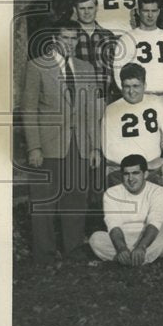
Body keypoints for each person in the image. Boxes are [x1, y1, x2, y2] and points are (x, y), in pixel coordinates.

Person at [20, 18, 103, 263]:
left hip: (79, 145)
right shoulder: (37, 66)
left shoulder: (86, 68)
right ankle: (44, 255)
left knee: (76, 199)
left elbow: (91, 112)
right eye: (65, 38)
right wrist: (34, 146)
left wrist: (95, 146)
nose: (69, 43)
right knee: (44, 202)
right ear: (55, 39)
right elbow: (29, 110)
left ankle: (74, 250)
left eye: (73, 38)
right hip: (48, 146)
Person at [103, 63, 163, 214]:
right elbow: (109, 150)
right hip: (123, 170)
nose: (131, 91)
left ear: (145, 85)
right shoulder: (112, 109)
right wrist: (143, 166)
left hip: (152, 169)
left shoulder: (156, 103)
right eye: (127, 86)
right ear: (121, 86)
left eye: (136, 86)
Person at [88, 154, 163, 265]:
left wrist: (142, 246)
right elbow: (113, 225)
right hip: (124, 238)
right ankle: (141, 257)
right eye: (126, 174)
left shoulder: (158, 191)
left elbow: (155, 222)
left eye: (135, 173)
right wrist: (121, 248)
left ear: (145, 174)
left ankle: (131, 258)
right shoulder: (112, 193)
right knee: (95, 239)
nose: (131, 178)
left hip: (150, 238)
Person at [112, 0, 163, 103]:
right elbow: (118, 70)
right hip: (139, 97)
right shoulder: (127, 38)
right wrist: (130, 95)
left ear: (159, 12)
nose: (150, 15)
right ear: (138, 11)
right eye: (146, 11)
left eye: (154, 11)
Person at [71, 0, 118, 96]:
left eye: (90, 8)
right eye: (82, 8)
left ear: (96, 8)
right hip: (78, 94)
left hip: (105, 95)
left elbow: (115, 67)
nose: (87, 12)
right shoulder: (70, 36)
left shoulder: (107, 36)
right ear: (75, 10)